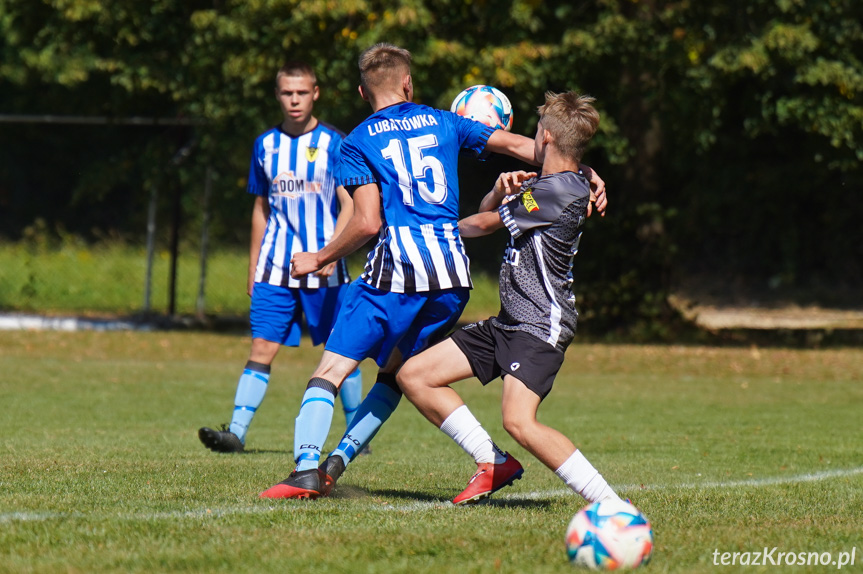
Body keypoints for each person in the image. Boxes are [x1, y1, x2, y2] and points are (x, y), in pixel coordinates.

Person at [259, 44, 606, 499]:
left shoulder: (356, 142)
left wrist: (320, 258)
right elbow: (532, 148)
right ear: (408, 83)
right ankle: (340, 463)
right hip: (450, 277)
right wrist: (583, 172)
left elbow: (367, 222)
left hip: (397, 272)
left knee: (330, 369)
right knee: (399, 373)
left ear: (364, 91)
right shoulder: (445, 121)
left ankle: (306, 468)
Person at [396, 91, 623, 505]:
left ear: (549, 137)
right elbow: (493, 211)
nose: (531, 138)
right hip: (508, 323)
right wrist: (501, 189)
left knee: (519, 421)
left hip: (539, 325)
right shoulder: (549, 184)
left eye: (536, 131)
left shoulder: (561, 191)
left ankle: (612, 506)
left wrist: (422, 230)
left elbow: (485, 223)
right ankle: (492, 462)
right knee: (415, 375)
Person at [198, 61, 363, 454]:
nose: (294, 100)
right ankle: (236, 433)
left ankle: (356, 434)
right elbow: (261, 208)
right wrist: (253, 263)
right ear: (278, 95)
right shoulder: (264, 145)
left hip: (326, 269)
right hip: (275, 268)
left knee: (343, 348)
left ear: (315, 93)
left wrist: (328, 253)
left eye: (301, 93)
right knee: (261, 348)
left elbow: (349, 205)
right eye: (287, 93)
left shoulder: (336, 144)